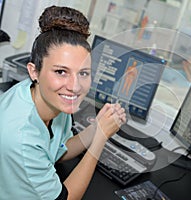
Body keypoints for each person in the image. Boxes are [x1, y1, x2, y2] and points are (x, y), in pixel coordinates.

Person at [0, 5, 126, 199]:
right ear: (34, 71)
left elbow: (58, 150)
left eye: (83, 73)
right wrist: (100, 139)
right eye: (61, 72)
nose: (75, 87)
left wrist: (96, 128)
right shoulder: (20, 137)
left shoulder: (47, 99)